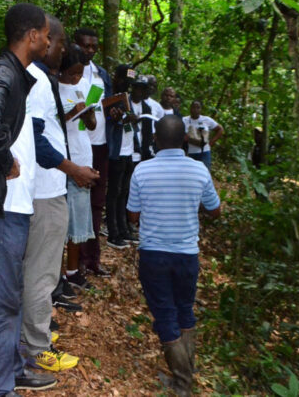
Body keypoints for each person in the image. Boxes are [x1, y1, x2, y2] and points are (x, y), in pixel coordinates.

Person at [0, 3, 55, 396]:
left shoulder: (16, 74)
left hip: (14, 205)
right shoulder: (4, 72)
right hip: (3, 205)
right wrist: (6, 162)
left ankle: (15, 369)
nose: (50, 41)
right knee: (3, 299)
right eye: (46, 33)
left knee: (11, 292)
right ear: (32, 35)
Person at [21, 16, 98, 374]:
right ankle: (36, 349)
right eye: (61, 41)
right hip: (44, 192)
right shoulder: (36, 80)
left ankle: (29, 337)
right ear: (41, 39)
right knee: (42, 273)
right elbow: (36, 141)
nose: (64, 48)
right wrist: (73, 169)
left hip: (42, 189)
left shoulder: (37, 78)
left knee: (36, 270)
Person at [126, 115, 221, 396]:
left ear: (155, 139)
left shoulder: (142, 171)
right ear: (184, 140)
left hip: (153, 255)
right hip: (186, 255)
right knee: (184, 309)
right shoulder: (199, 171)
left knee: (165, 314)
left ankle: (182, 384)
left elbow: (132, 216)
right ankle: (185, 376)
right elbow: (215, 210)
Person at [58, 44, 100, 293]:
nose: (76, 78)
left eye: (80, 74)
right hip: (64, 161)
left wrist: (87, 114)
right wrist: (71, 112)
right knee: (61, 222)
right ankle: (56, 274)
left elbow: (92, 125)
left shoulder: (83, 88)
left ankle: (73, 271)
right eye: (72, 74)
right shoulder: (53, 88)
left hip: (84, 155)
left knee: (79, 221)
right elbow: (52, 124)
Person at [74, 28, 115, 277]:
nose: (89, 50)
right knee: (78, 203)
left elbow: (107, 105)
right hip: (78, 146)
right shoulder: (68, 72)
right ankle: (74, 261)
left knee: (97, 203)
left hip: (100, 144)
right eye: (85, 46)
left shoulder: (101, 74)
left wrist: (115, 112)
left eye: (93, 47)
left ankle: (92, 259)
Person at [104, 64, 136, 249]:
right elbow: (106, 121)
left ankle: (123, 229)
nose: (127, 85)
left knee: (124, 192)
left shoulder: (128, 97)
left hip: (128, 150)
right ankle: (113, 231)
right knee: (114, 192)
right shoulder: (110, 97)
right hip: (116, 151)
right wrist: (118, 119)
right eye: (125, 80)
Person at [183, 101, 224, 172]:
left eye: (198, 108)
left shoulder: (206, 120)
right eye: (193, 107)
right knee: (193, 173)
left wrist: (211, 143)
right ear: (190, 108)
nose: (195, 110)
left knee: (205, 172)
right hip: (190, 153)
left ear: (201, 109)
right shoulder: (184, 120)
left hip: (205, 152)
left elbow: (220, 129)